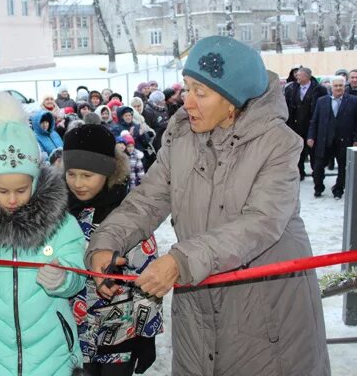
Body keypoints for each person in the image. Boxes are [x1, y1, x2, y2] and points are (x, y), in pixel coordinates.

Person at [87, 36, 330, 375]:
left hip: (264, 309)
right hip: (198, 305)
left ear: (234, 100)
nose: (187, 102)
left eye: (200, 92)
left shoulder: (278, 144)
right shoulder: (181, 136)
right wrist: (105, 242)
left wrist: (180, 261)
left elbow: (261, 222)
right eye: (187, 88)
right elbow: (148, 199)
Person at [0, 93, 86, 376]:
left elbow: (78, 275)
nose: (12, 199)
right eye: (3, 191)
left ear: (35, 180)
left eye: (21, 190)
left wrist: (64, 277)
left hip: (53, 354)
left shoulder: (61, 224)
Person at [63, 124, 163, 376]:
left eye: (87, 175)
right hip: (70, 336)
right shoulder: (59, 213)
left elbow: (147, 277)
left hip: (120, 336)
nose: (77, 183)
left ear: (107, 172)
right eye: (71, 174)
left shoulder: (128, 215)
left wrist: (145, 336)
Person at [307, 76, 357, 199]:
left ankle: (338, 190)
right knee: (318, 167)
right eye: (336, 85)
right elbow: (314, 121)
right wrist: (311, 136)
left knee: (343, 168)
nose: (338, 88)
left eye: (341, 85)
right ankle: (318, 187)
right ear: (331, 87)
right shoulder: (322, 101)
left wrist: (356, 140)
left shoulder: (353, 101)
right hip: (324, 140)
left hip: (344, 140)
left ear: (344, 87)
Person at [284, 66, 328, 180]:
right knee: (298, 152)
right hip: (296, 126)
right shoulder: (291, 88)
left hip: (313, 127)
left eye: (299, 75)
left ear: (306, 76)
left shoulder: (320, 90)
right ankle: (300, 173)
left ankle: (317, 176)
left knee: (315, 154)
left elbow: (324, 109)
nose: (296, 77)